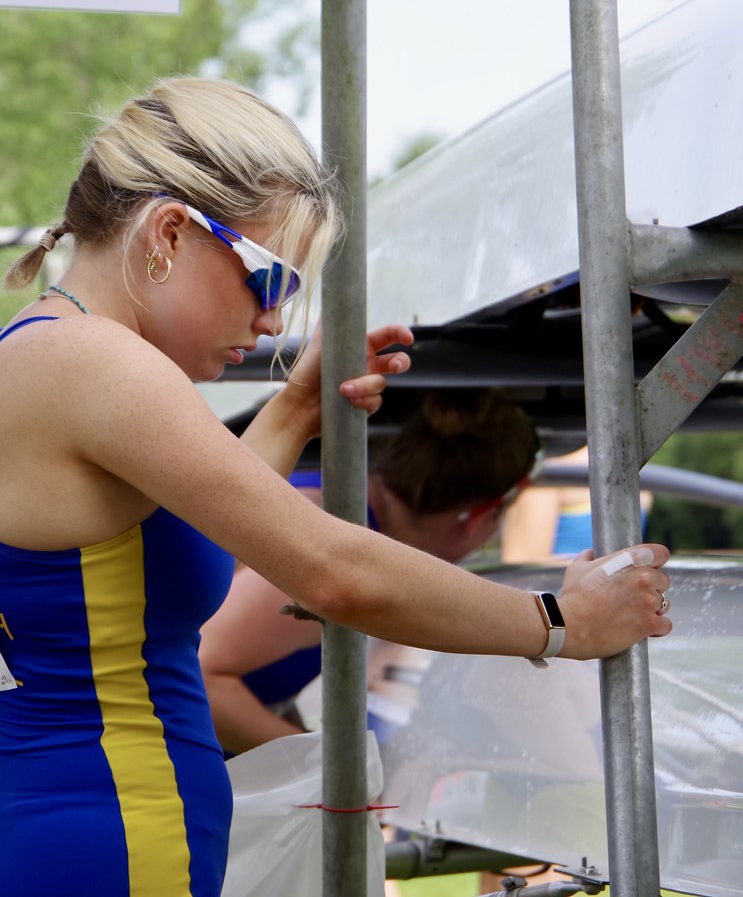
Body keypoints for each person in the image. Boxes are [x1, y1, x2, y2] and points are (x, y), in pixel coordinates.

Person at [0, 76, 672, 897]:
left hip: (89, 825)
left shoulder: (49, 352)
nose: (275, 323)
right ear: (169, 231)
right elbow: (333, 571)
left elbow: (173, 537)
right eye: (272, 279)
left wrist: (290, 409)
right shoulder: (94, 362)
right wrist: (560, 623)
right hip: (108, 833)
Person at [199, 388, 543, 754]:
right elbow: (203, 674)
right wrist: (339, 779)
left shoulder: (345, 517)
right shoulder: (329, 538)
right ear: (477, 519)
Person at [500, 445, 653, 563]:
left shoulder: (550, 473)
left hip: (566, 597)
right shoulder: (641, 474)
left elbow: (523, 564)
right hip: (605, 596)